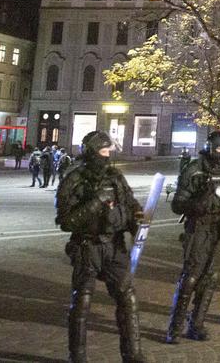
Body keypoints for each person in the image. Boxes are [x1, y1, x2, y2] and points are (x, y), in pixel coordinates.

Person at [55, 131, 144, 362]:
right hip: (88, 247)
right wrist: (96, 203)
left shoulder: (115, 176)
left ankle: (133, 354)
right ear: (92, 152)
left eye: (109, 152)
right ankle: (78, 356)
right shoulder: (74, 179)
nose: (107, 156)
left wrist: (138, 218)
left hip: (114, 246)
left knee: (128, 298)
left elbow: (130, 202)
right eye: (103, 151)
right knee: (82, 302)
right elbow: (66, 221)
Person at [165, 130, 220, 343]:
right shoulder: (194, 170)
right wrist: (197, 205)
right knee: (191, 277)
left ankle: (196, 324)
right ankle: (175, 327)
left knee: (211, 278)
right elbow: (178, 203)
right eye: (219, 148)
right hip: (198, 229)